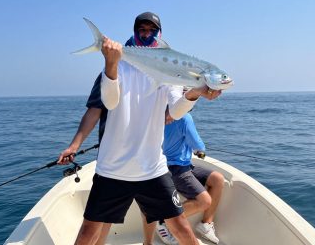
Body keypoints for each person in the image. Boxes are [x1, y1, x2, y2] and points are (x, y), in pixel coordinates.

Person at [58, 12, 222, 245]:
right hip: (113, 169)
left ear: (159, 35)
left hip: (152, 169)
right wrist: (111, 65)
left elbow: (175, 111)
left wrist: (195, 93)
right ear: (134, 34)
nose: (146, 34)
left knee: (183, 229)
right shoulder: (118, 67)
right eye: (141, 30)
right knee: (88, 234)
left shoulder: (168, 72)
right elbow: (108, 102)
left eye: (151, 30)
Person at [158, 109, 224, 244]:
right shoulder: (184, 117)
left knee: (217, 179)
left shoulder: (159, 113)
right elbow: (198, 145)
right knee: (205, 201)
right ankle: (165, 222)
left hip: (185, 165)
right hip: (176, 169)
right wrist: (200, 151)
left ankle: (206, 224)